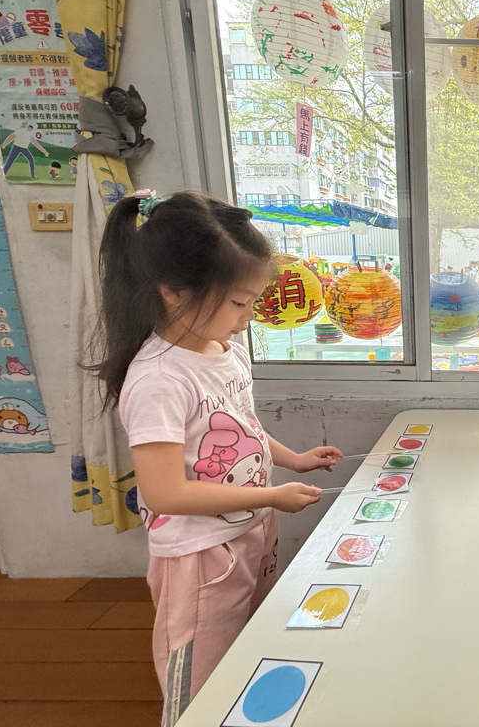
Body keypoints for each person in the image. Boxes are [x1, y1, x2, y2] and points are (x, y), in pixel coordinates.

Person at [92, 189, 343, 724]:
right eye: (237, 303)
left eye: (252, 302)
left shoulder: (226, 351)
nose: (248, 318)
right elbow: (164, 493)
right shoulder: (159, 379)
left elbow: (243, 427)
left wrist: (292, 459)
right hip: (199, 555)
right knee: (198, 681)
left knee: (246, 647)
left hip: (250, 530)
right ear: (174, 293)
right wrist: (270, 495)